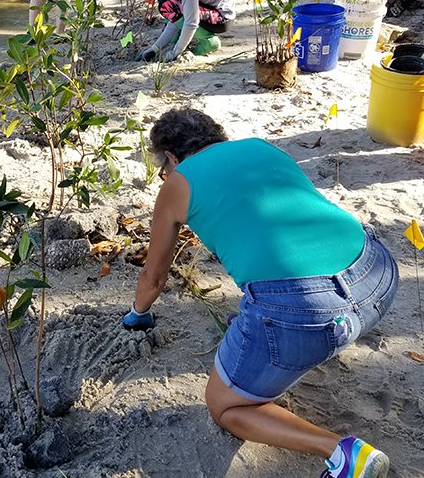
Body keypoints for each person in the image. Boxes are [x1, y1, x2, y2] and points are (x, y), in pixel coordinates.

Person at [123, 108, 399, 478]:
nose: (166, 177)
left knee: (224, 406)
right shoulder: (261, 147)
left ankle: (342, 452)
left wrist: (137, 315)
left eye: (164, 169)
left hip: (309, 312)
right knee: (278, 318)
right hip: (377, 275)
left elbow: (153, 278)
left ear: (171, 157)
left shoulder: (179, 182)